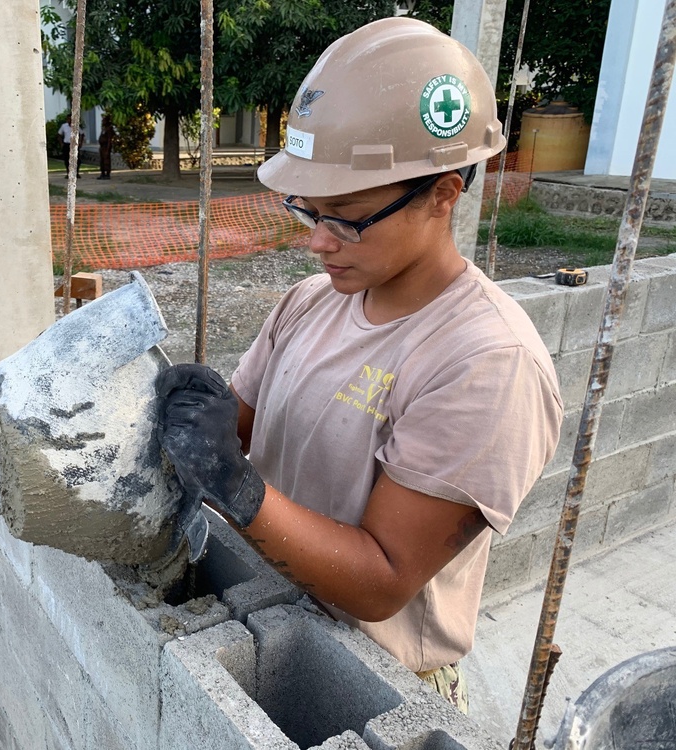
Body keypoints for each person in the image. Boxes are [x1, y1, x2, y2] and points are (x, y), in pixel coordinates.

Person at [155, 17, 563, 714]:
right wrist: (200, 413)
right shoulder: (310, 302)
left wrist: (235, 486)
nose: (317, 240)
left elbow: (382, 579)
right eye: (307, 210)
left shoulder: (486, 363)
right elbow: (245, 428)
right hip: (272, 614)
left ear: (442, 195)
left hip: (374, 684)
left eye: (345, 216)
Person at [98, 114, 115, 180]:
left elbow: (109, 139)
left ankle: (107, 174)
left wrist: (108, 149)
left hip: (106, 146)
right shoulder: (103, 128)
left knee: (106, 160)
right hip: (102, 146)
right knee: (102, 160)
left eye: (104, 120)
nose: (102, 121)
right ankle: (102, 173)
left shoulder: (109, 128)